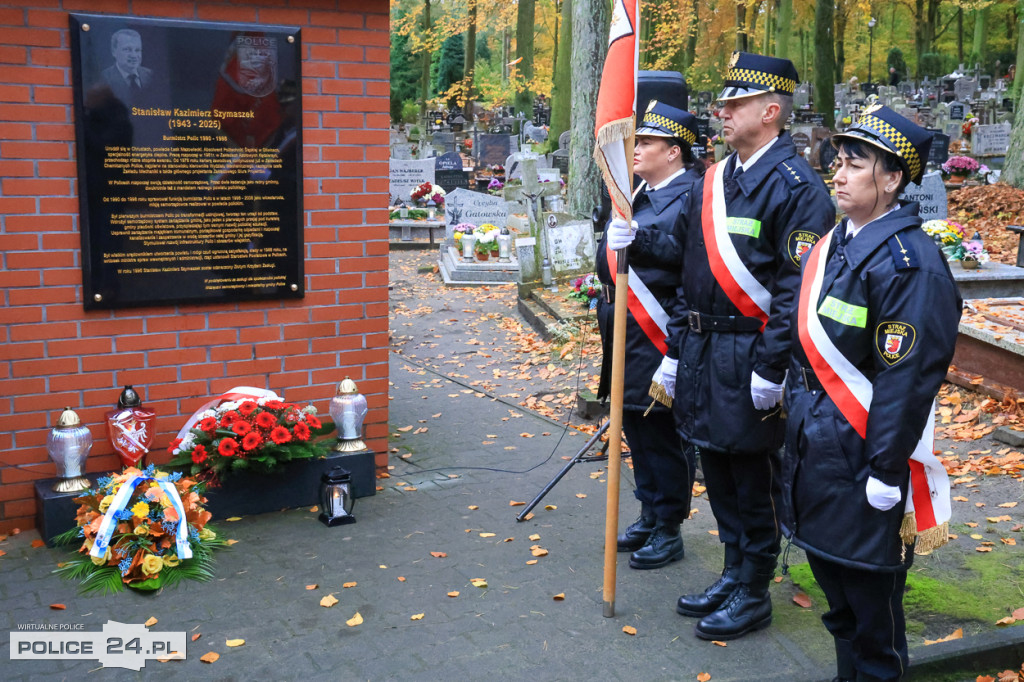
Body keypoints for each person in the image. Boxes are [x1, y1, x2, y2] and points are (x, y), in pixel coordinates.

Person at [617, 52, 835, 640]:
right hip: (701, 348)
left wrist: (772, 365)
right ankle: (734, 570)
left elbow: (796, 287)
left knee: (752, 476)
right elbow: (681, 257)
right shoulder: (715, 181)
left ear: (770, 112)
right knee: (715, 467)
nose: (722, 112)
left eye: (736, 103)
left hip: (751, 352)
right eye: (723, 103)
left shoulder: (796, 188)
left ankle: (754, 586)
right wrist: (634, 238)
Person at [781, 105, 961, 682]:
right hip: (818, 451)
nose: (836, 175)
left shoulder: (911, 265)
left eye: (854, 165)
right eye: (837, 162)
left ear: (892, 179)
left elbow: (906, 379)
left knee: (872, 620)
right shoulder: (837, 243)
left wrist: (885, 470)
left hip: (862, 462)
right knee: (839, 605)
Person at [598, 101, 702, 570]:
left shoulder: (690, 196)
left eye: (646, 142)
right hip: (627, 330)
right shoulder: (640, 190)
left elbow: (685, 262)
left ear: (674, 151)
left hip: (659, 332)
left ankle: (669, 526)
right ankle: (649, 511)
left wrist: (638, 238)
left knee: (661, 435)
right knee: (636, 429)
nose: (635, 149)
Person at [100, 29, 153, 104]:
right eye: (127, 50)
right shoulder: (103, 78)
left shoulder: (150, 75)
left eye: (137, 50)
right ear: (114, 52)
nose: (134, 55)